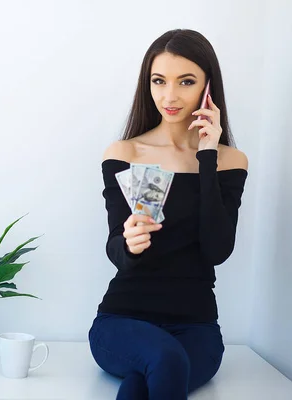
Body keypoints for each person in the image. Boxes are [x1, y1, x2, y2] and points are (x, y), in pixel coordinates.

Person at [89, 29, 248, 400]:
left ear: (208, 86)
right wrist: (128, 244)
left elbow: (217, 251)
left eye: (186, 81)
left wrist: (207, 154)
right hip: (123, 320)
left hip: (196, 327)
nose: (170, 96)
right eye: (159, 81)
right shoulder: (126, 153)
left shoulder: (230, 161)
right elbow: (115, 250)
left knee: (146, 379)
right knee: (162, 359)